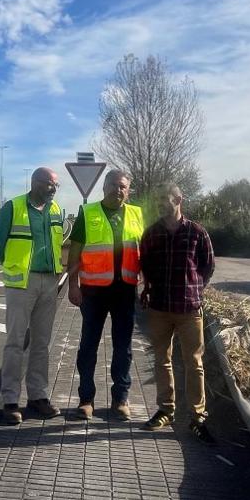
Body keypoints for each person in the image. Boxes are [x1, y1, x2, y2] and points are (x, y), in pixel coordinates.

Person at [66, 169, 145, 421]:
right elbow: (75, 253)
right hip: (93, 292)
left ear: (128, 190)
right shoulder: (88, 213)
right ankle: (86, 399)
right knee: (88, 346)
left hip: (125, 291)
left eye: (122, 186)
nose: (117, 189)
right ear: (104, 187)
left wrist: (147, 286)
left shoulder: (136, 214)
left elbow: (143, 252)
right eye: (112, 185)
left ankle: (120, 399)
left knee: (123, 347)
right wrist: (73, 285)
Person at [138, 183, 215, 437]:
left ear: (179, 199)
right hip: (159, 308)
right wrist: (149, 288)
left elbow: (208, 266)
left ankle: (197, 416)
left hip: (188, 309)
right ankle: (166, 411)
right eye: (157, 200)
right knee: (162, 361)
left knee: (194, 362)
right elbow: (145, 265)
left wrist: (195, 289)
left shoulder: (197, 233)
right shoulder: (151, 234)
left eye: (165, 199)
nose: (160, 204)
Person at [0, 167, 65, 424]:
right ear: (35, 183)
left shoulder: (55, 210)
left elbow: (60, 244)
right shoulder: (13, 207)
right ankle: (10, 400)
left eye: (56, 185)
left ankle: (38, 396)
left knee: (42, 343)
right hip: (22, 282)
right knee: (15, 342)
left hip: (50, 280)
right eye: (49, 184)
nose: (53, 189)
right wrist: (13, 265)